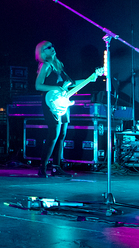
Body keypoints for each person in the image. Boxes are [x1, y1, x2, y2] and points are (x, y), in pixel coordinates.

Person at [34, 41, 96, 178]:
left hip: (63, 104)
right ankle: (42, 168)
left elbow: (71, 84)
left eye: (52, 46)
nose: (52, 48)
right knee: (53, 135)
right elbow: (38, 86)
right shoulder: (45, 65)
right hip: (51, 104)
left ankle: (56, 167)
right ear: (42, 52)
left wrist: (90, 78)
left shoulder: (59, 67)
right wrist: (56, 88)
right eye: (48, 47)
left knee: (62, 135)